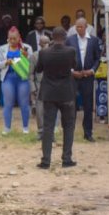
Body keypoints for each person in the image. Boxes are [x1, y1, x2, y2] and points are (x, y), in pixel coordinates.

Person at [36, 27, 77, 169]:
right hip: (66, 92)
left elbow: (39, 69)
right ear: (65, 37)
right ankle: (67, 159)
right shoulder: (71, 51)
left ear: (52, 37)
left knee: (48, 127)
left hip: (49, 93)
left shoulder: (44, 53)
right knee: (69, 126)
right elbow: (74, 66)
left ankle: (46, 160)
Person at [66, 18, 102, 141]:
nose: (79, 29)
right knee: (72, 105)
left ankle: (88, 133)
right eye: (77, 27)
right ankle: (70, 133)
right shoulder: (70, 40)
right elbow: (66, 58)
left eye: (81, 27)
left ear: (86, 27)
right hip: (74, 77)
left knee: (88, 105)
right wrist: (72, 72)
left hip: (88, 77)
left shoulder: (94, 40)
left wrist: (92, 70)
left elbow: (98, 59)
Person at [0, 27, 33, 134]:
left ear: (19, 37)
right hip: (8, 78)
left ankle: (25, 128)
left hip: (23, 78)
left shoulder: (26, 47)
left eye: (14, 39)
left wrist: (27, 57)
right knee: (8, 103)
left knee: (24, 103)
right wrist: (6, 62)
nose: (12, 41)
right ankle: (7, 128)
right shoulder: (3, 48)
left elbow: (33, 64)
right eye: (10, 39)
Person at [29, 35, 52, 139]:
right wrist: (33, 88)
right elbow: (30, 74)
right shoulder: (34, 56)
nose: (45, 45)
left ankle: (50, 131)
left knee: (52, 109)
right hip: (39, 85)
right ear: (39, 44)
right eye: (43, 43)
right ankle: (40, 131)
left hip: (52, 85)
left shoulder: (54, 55)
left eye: (47, 43)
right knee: (40, 109)